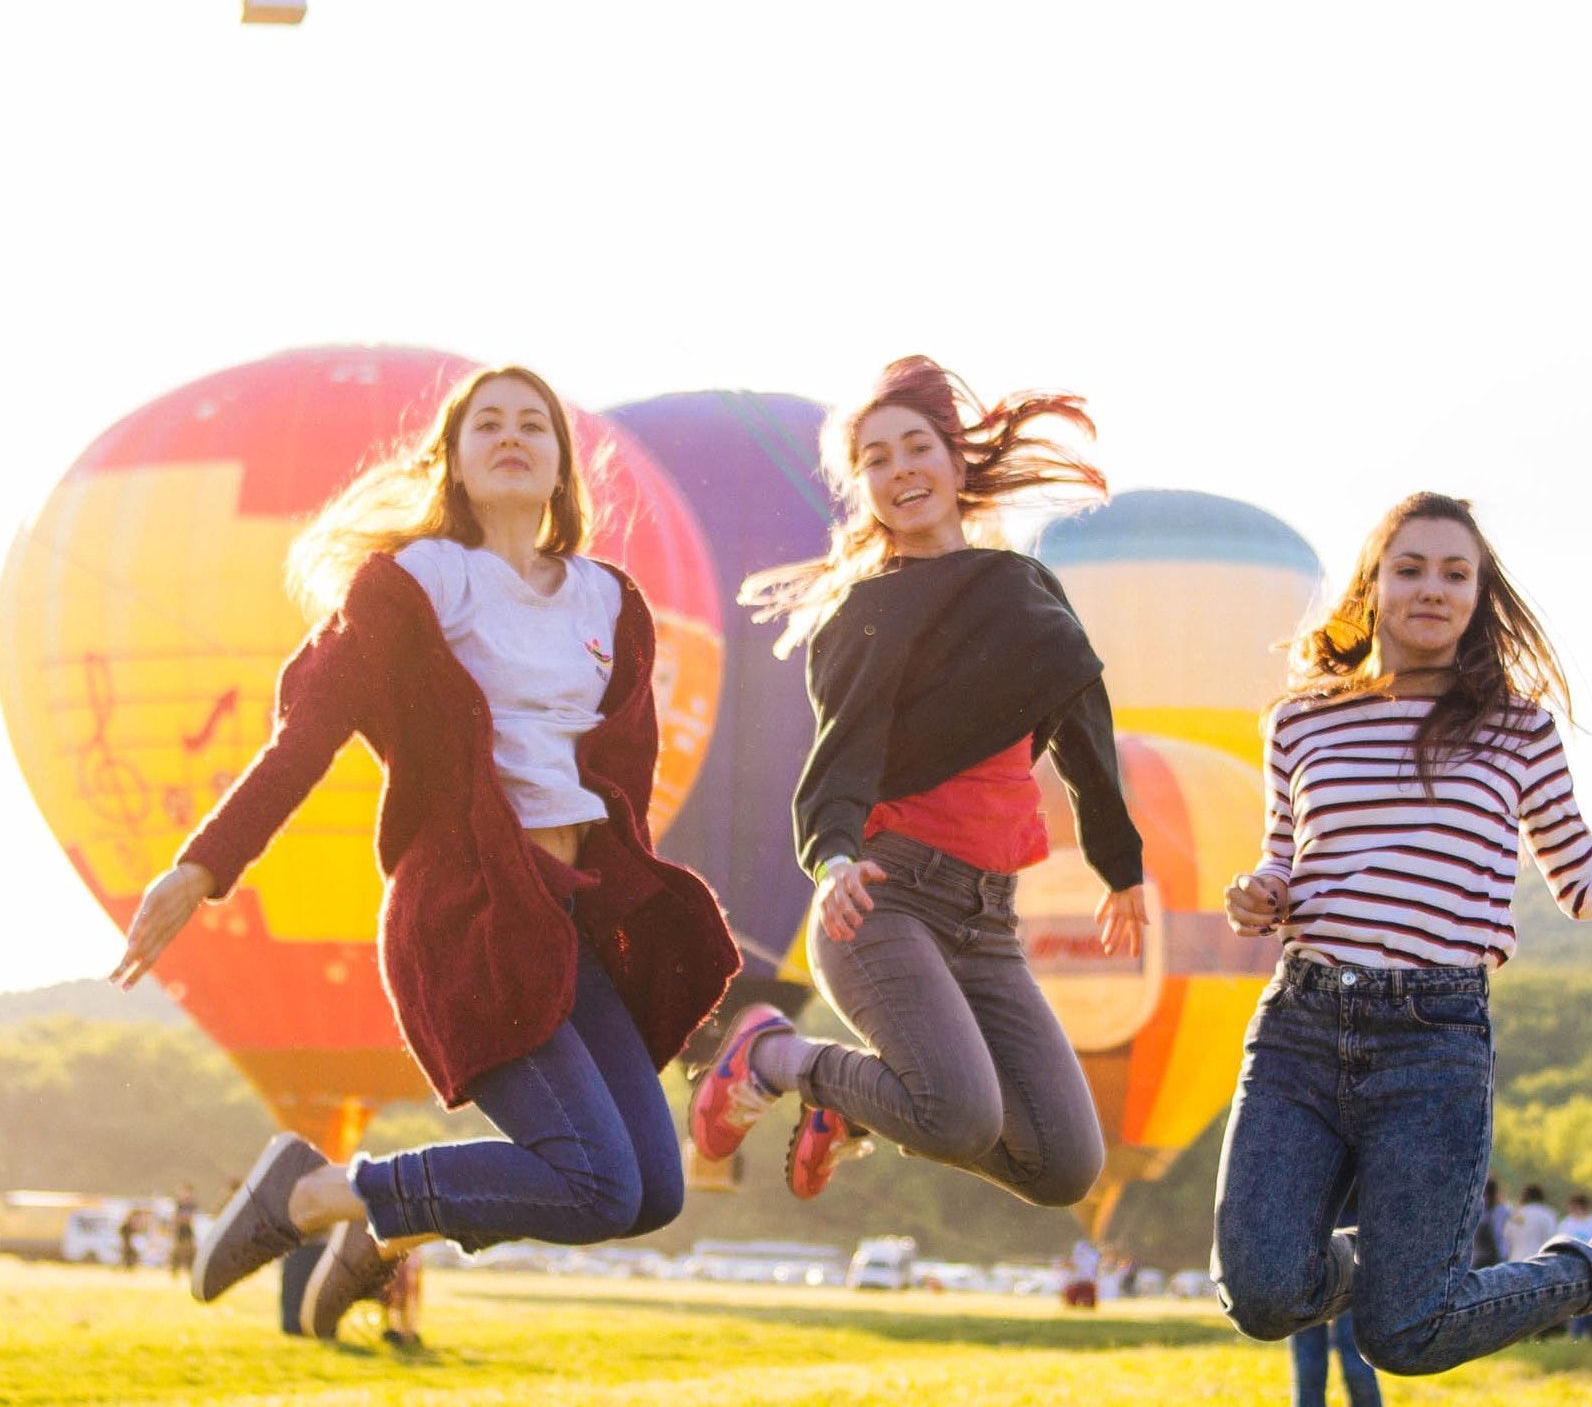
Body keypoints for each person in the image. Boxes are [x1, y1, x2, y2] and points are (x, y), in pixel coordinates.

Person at [110, 365, 740, 1337]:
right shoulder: (413, 584)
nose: (511, 434)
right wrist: (200, 865)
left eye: (534, 423)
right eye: (486, 422)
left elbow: (623, 781)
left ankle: (382, 1226)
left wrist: (629, 918)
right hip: (472, 914)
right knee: (596, 1180)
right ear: (450, 457)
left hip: (565, 919)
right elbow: (307, 735)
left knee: (652, 1192)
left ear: (564, 469)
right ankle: (318, 1194)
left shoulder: (609, 602)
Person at [1213, 490, 1592, 1377]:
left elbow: (1588, 883)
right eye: (1411, 568)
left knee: (1406, 1335)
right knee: (1264, 1295)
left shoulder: (1517, 730)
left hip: (1431, 1046)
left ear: (1479, 595)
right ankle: (1410, 1270)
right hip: (1301, 1027)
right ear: (1372, 586)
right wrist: (1259, 893)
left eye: (1456, 574)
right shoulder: (1303, 720)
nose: (1433, 589)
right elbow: (1284, 859)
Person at [691, 356, 1145, 1210]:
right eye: (876, 459)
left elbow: (1084, 719)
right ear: (861, 487)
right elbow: (843, 754)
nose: (900, 470)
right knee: (958, 1118)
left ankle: (849, 1109)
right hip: (886, 902)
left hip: (989, 921)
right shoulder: (872, 610)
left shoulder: (1027, 589)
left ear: (956, 460)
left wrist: (1121, 865)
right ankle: (774, 1057)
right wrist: (830, 861)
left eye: (916, 448)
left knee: (1064, 1167)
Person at [1558, 1194, 1592, 1341]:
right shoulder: (1566, 1224)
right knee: (1577, 1299)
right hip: (1573, 1266)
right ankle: (1579, 1332)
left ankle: (1588, 1331)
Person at [1504, 1185, 1559, 1264]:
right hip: (1539, 1263)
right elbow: (1552, 1240)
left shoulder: (1516, 1214)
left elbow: (1506, 1238)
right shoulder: (1548, 1215)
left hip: (1515, 1261)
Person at [169, 1185, 198, 1279]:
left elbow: (190, 1218)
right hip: (180, 1231)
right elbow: (175, 1218)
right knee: (176, 1252)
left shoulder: (191, 1205)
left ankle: (191, 1273)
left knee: (190, 1252)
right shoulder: (178, 1204)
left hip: (188, 1231)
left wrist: (183, 1219)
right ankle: (175, 1273)